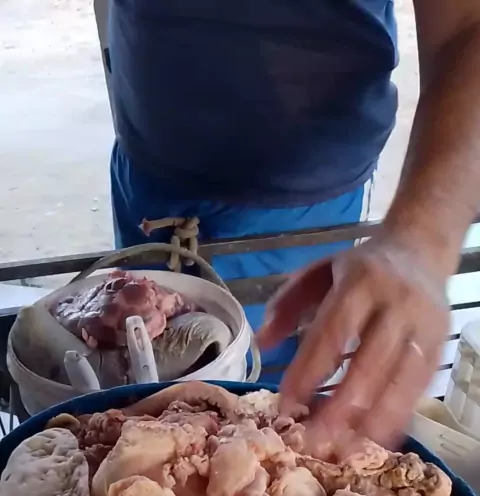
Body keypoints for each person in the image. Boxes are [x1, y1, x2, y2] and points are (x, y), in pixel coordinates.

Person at [107, 1, 480, 451]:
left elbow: (468, 25)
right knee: (133, 380)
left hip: (300, 208)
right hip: (146, 177)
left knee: (271, 410)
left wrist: (422, 239)